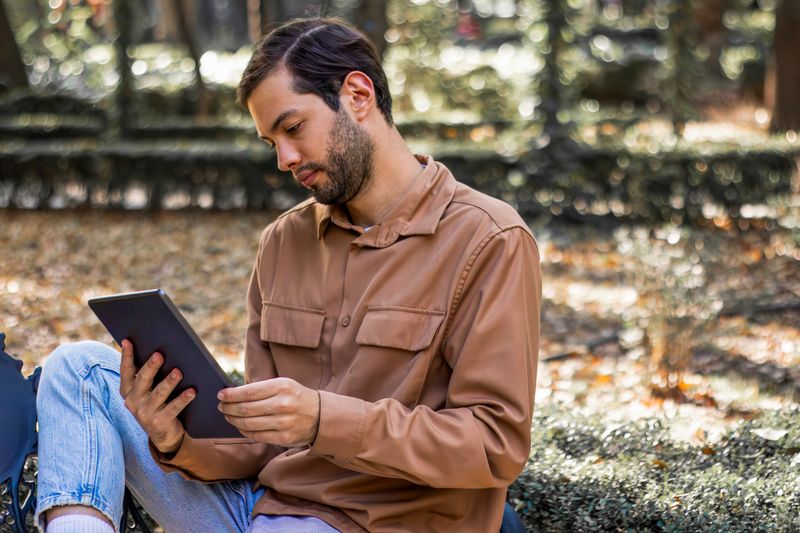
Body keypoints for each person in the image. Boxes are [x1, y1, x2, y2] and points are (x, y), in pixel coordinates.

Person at [34, 17, 541, 533]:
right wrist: (174, 439)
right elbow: (263, 442)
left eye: (293, 128)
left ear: (358, 95)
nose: (284, 159)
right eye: (270, 140)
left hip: (384, 523)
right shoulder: (283, 242)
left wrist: (324, 419)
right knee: (78, 371)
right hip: (261, 510)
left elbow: (494, 445)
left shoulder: (489, 239)